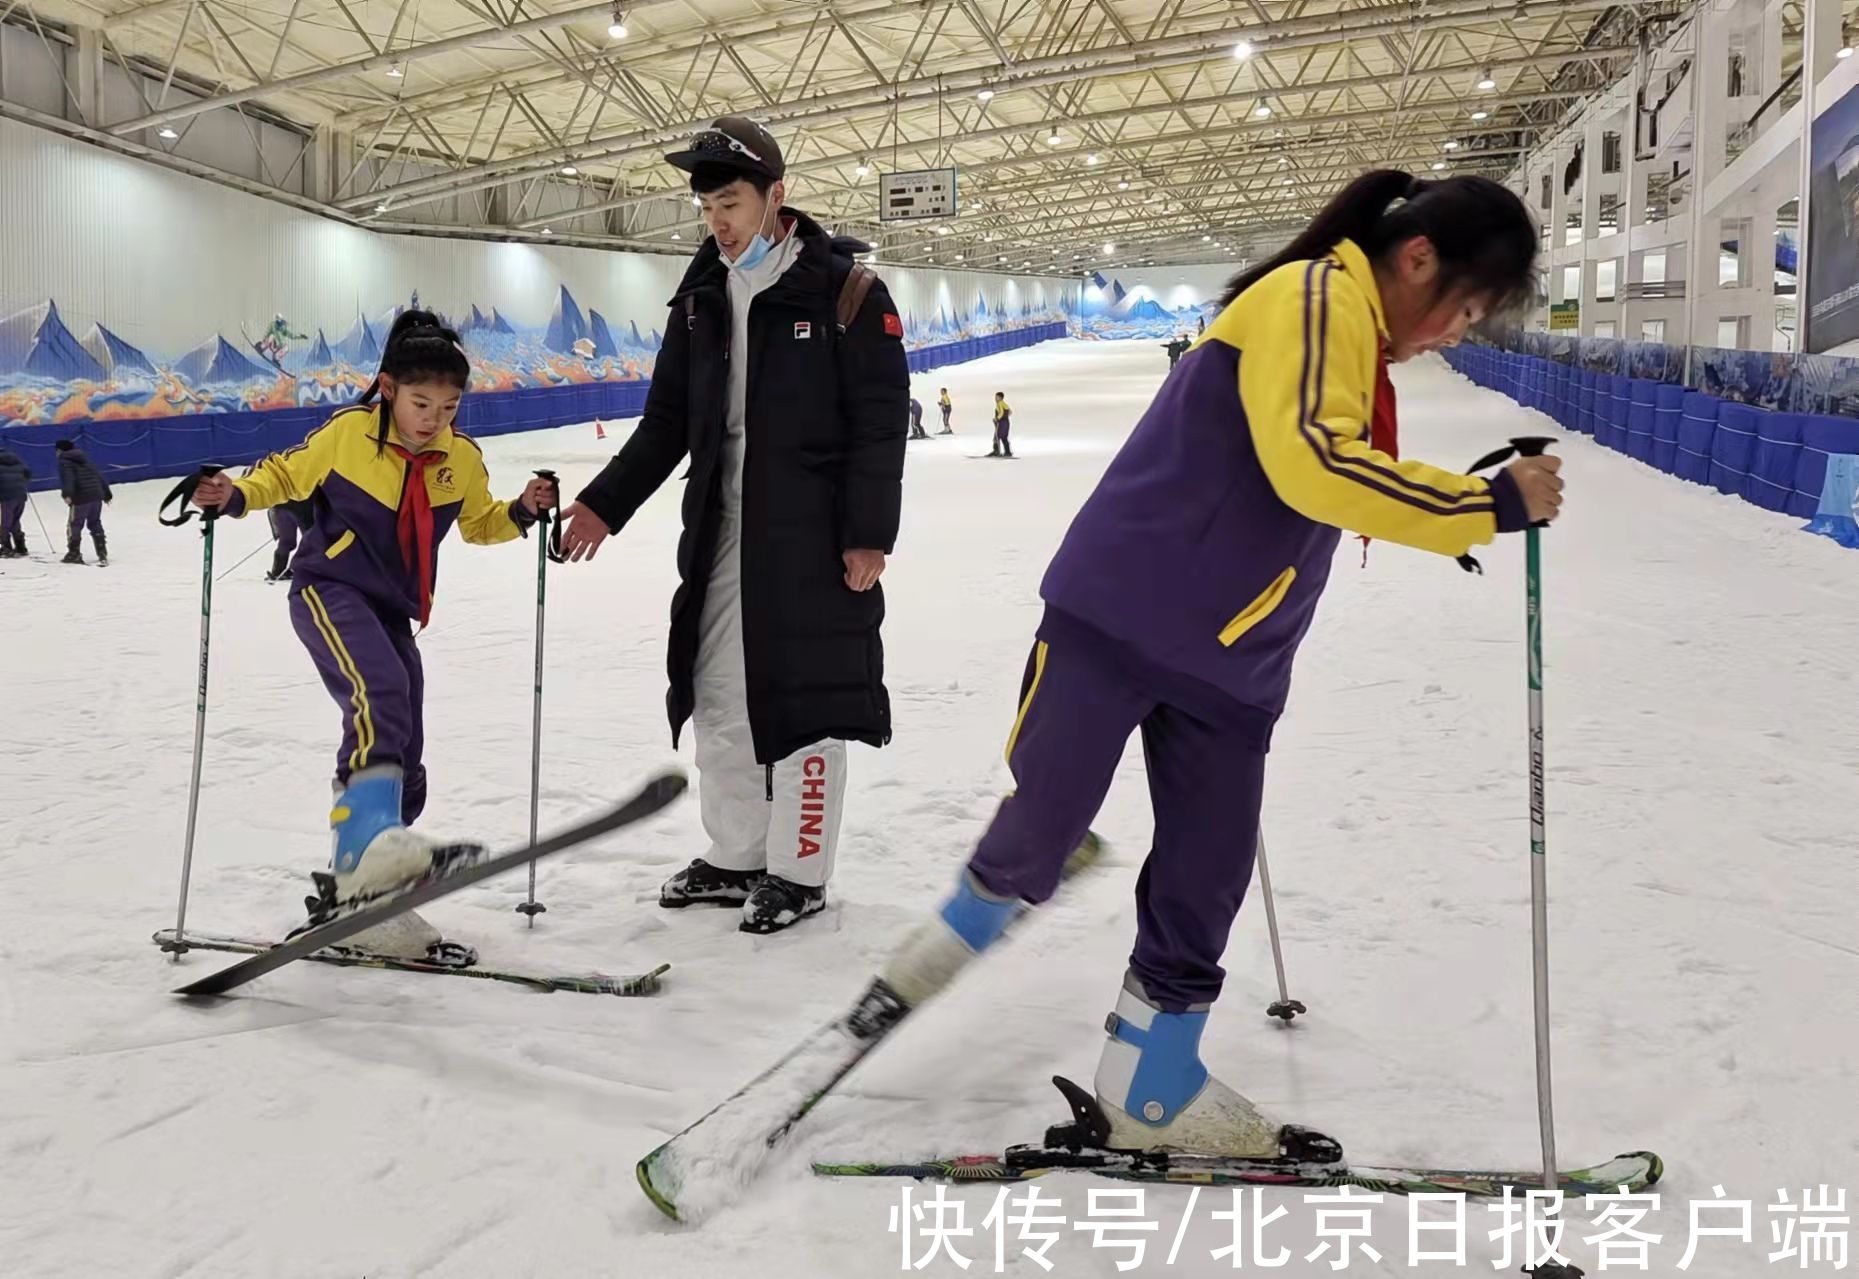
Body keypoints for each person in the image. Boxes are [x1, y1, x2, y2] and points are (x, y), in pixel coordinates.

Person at [882, 171, 1562, 1158]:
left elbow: (1307, 483)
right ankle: (940, 946)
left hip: (1230, 657)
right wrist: (1483, 506)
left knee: (1204, 873)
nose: (1457, 330)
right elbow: (1313, 464)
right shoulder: (1309, 300)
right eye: (1464, 307)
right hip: (1123, 611)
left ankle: (1149, 1078)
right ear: (1416, 261)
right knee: (1045, 817)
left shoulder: (1349, 329)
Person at [557, 116, 908, 935]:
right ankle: (738, 852)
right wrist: (603, 502)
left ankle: (799, 869)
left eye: (732, 202)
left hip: (814, 537)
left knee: (809, 699)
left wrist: (868, 532)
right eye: (708, 205)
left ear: (775, 197)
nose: (718, 221)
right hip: (722, 529)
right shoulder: (701, 298)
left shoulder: (845, 293)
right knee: (718, 692)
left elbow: (880, 422)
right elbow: (665, 420)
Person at [191, 310, 556, 957]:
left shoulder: (459, 459)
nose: (433, 419)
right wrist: (235, 494)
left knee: (406, 731)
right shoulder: (349, 435)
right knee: (380, 692)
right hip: (330, 590)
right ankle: (365, 857)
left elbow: (480, 523)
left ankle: (372, 885)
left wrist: (525, 510)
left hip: (391, 609)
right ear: (387, 389)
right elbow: (283, 475)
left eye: (448, 407)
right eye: (421, 403)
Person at [55, 440, 111, 566]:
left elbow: (68, 478)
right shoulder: (85, 459)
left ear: (59, 451)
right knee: (95, 522)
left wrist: (67, 494)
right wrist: (107, 493)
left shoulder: (64, 462)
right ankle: (102, 552)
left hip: (81, 497)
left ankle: (73, 553)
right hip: (96, 495)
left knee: (74, 524)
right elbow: (98, 476)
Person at [0, 447, 30, 557]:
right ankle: (21, 546)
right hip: (21, 496)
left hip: (7, 497)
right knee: (14, 520)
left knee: (6, 522)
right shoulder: (17, 462)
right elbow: (28, 473)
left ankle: (6, 546)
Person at [989, 392, 1013, 458]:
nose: (995, 399)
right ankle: (1008, 452)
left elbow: (1001, 412)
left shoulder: (999, 403)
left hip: (1001, 423)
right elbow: (1010, 412)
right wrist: (1005, 417)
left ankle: (996, 451)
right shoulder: (1004, 404)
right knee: (1004, 437)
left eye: (996, 397)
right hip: (1006, 422)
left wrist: (997, 419)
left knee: (996, 436)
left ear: (1000, 398)